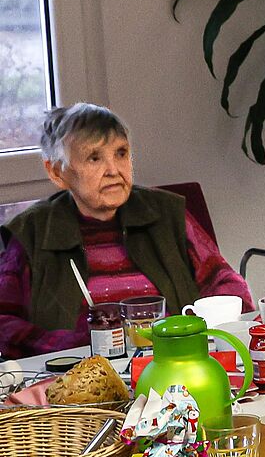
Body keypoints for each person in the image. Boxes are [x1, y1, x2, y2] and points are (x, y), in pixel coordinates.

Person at [0, 104, 250, 358]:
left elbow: (224, 281)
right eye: (94, 158)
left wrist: (198, 327)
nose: (113, 170)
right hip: (78, 378)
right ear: (57, 172)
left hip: (175, 362)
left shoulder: (165, 212)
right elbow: (3, 322)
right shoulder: (32, 232)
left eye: (121, 153)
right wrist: (71, 345)